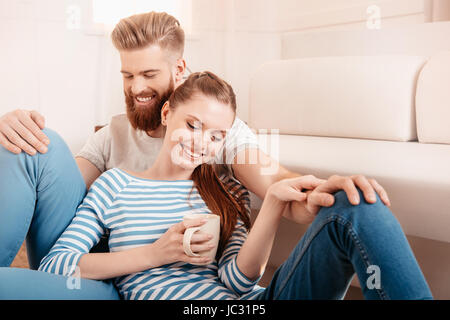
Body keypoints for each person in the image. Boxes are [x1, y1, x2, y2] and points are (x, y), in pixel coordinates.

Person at [0, 11, 427, 299]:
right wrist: (15, 129)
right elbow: (59, 196)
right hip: (116, 274)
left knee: (358, 205)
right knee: (36, 142)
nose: (135, 87)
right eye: (127, 75)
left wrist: (305, 194)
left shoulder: (222, 184)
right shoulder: (112, 159)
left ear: (178, 70)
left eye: (148, 74)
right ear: (170, 115)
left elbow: (243, 270)